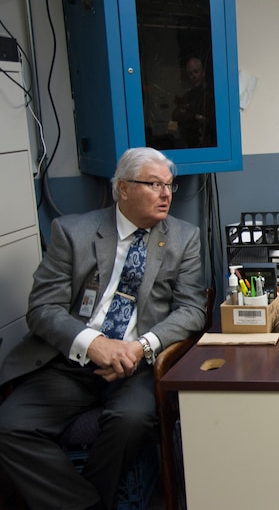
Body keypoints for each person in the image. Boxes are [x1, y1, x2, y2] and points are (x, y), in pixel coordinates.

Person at [0, 147, 207, 509]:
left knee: (131, 420)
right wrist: (92, 342)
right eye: (154, 184)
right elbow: (42, 309)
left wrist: (140, 346)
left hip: (136, 365)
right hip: (70, 364)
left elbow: (192, 310)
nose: (166, 194)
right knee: (8, 425)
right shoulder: (72, 233)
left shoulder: (183, 237)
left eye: (169, 185)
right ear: (123, 188)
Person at [172, 56, 216, 148]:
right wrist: (194, 117)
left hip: (209, 143)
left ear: (203, 73)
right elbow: (176, 115)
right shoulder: (188, 96)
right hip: (190, 144)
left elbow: (208, 119)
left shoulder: (211, 95)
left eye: (196, 72)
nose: (193, 76)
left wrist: (190, 116)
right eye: (190, 74)